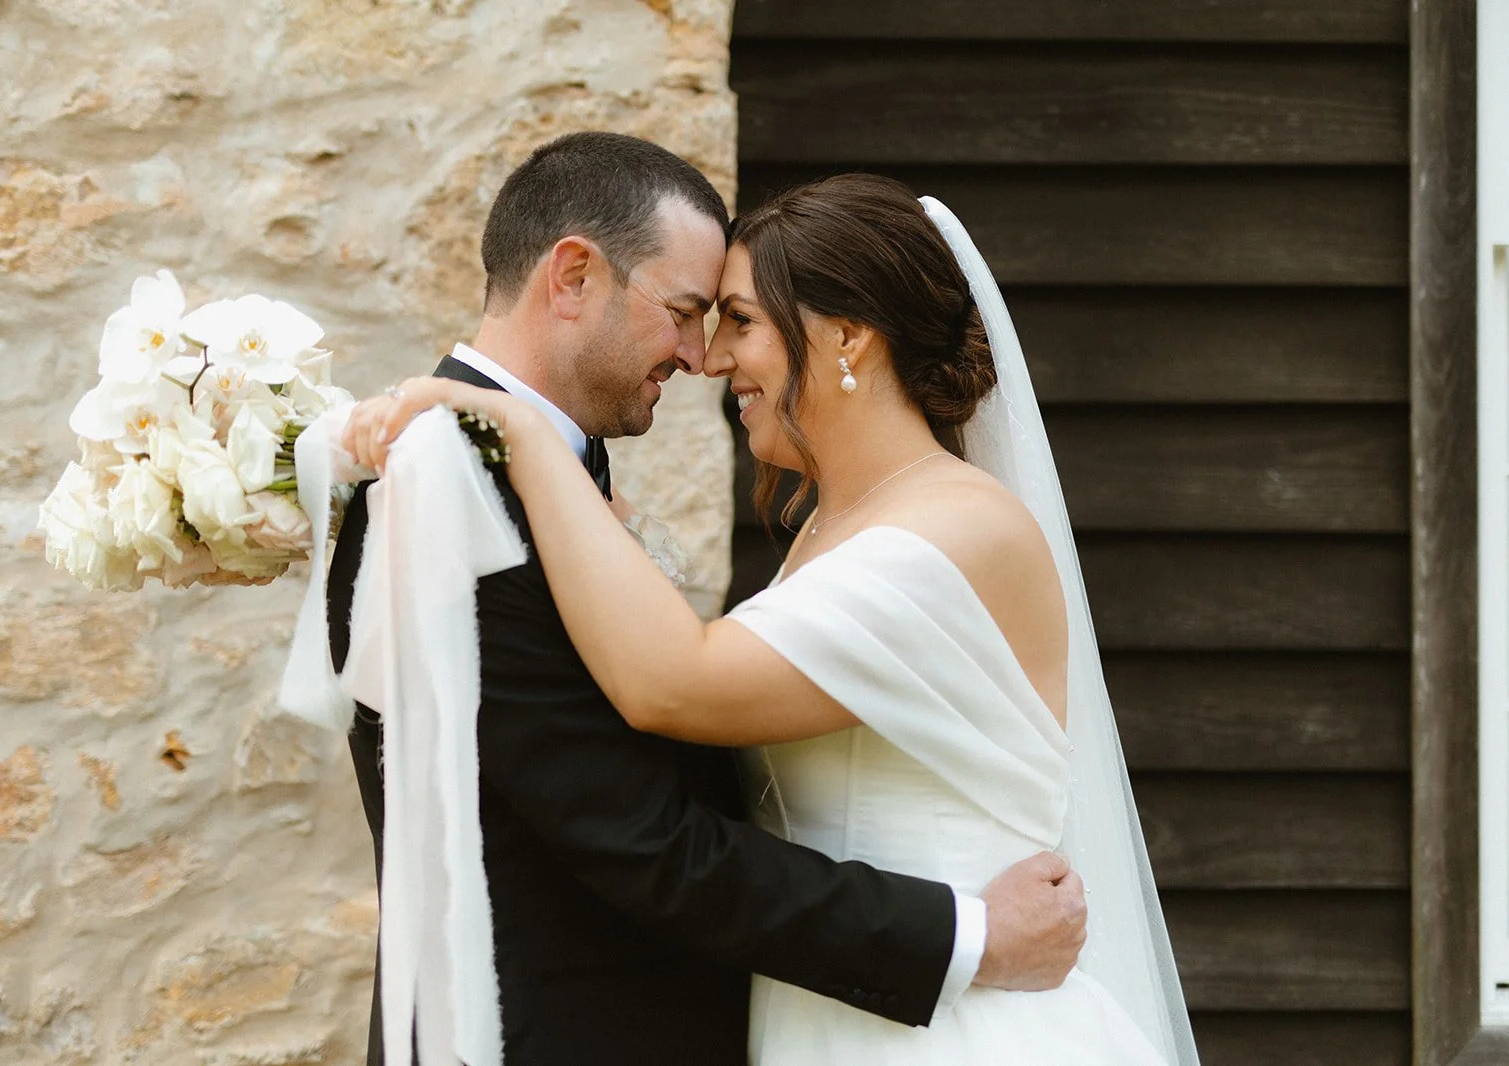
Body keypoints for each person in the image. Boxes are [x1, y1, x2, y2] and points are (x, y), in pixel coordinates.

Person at [348, 171, 1200, 1065]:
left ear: (847, 336)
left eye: (740, 321)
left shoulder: (958, 529)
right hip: (836, 1009)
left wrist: (519, 436)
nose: (710, 359)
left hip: (947, 1029)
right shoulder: (829, 527)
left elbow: (676, 684)